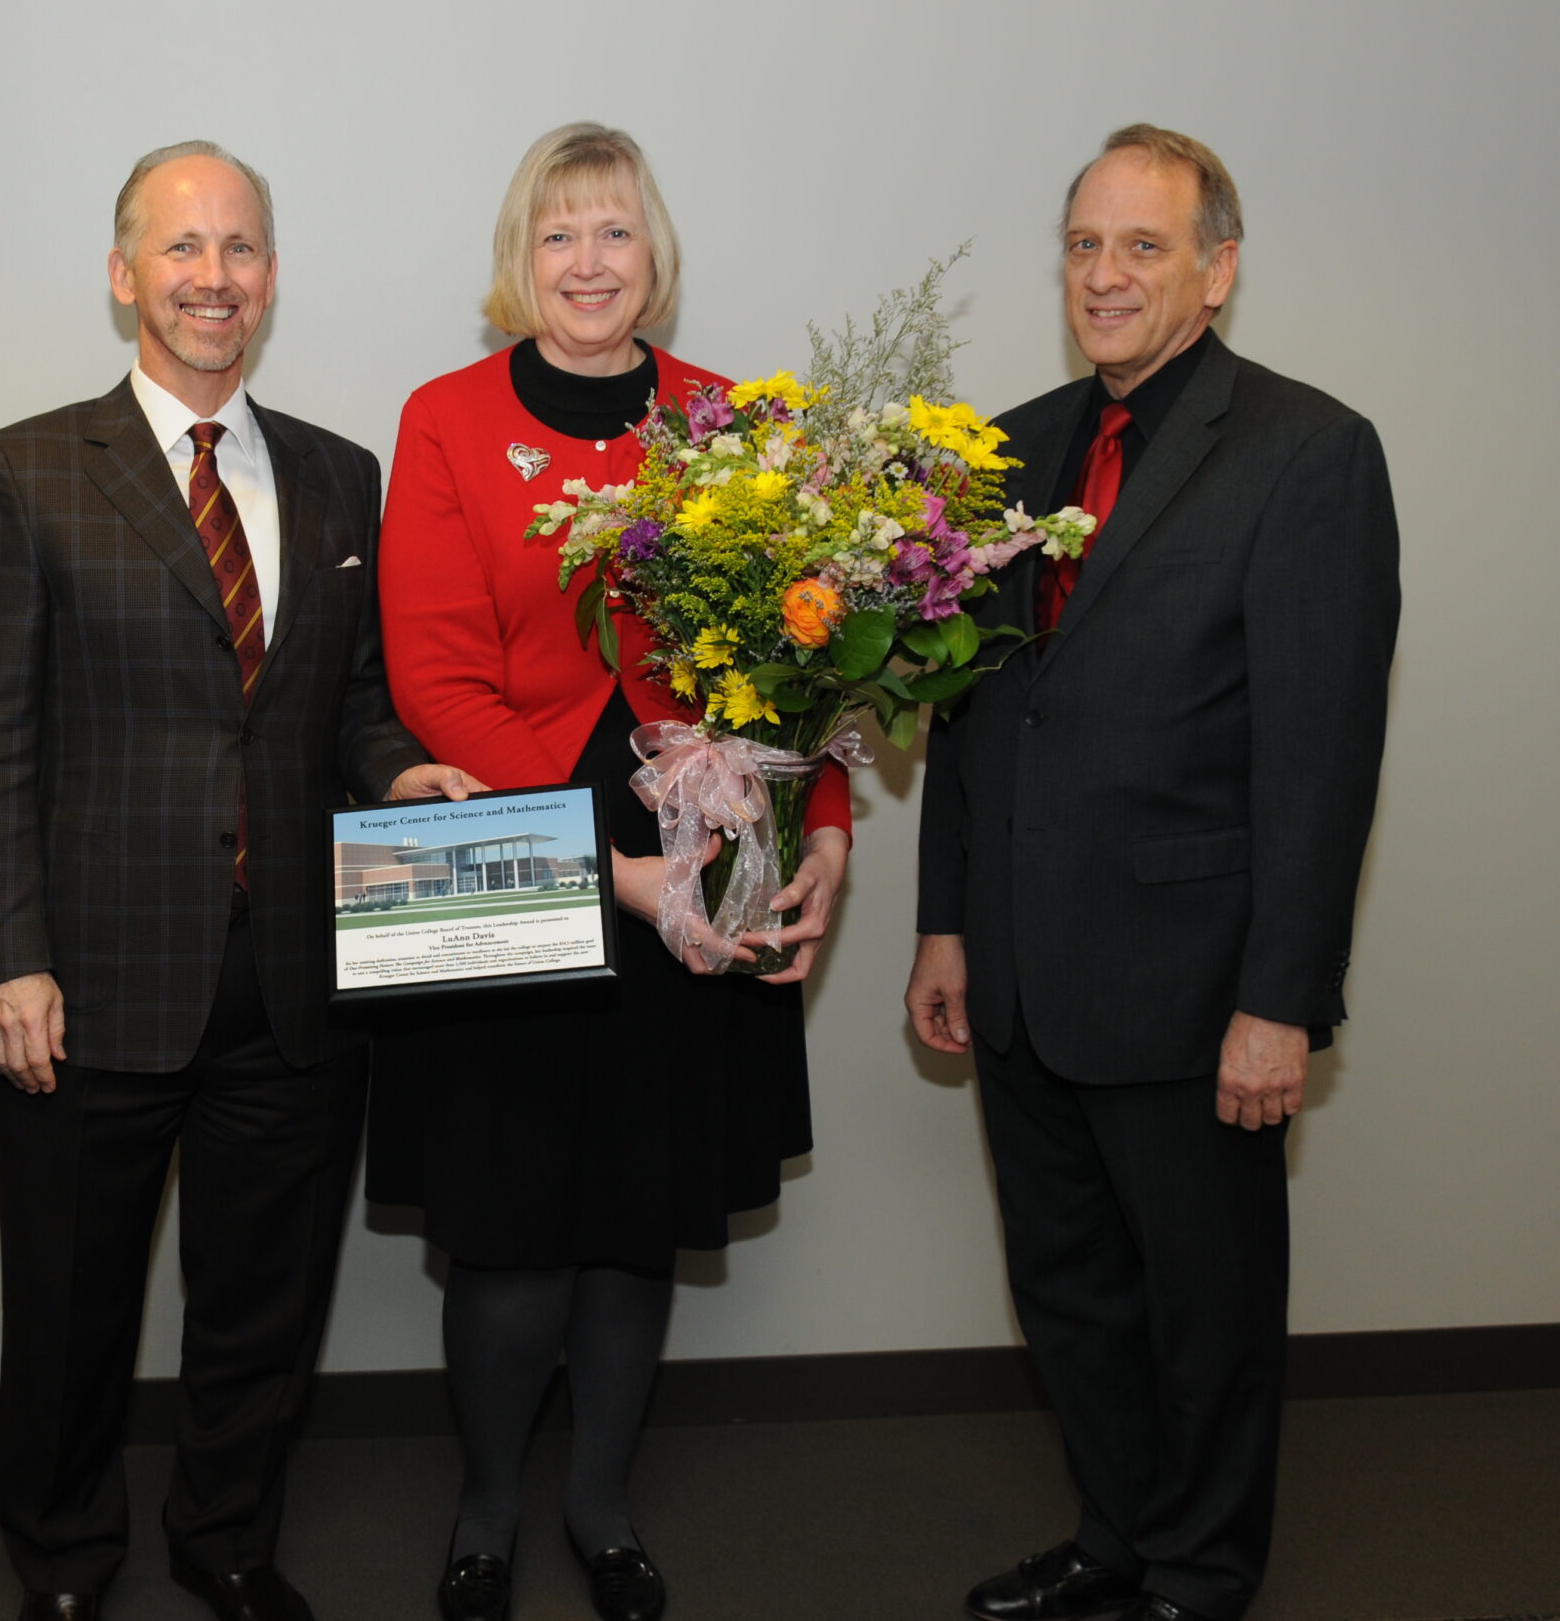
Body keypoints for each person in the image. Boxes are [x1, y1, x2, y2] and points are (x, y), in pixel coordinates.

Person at [0, 141, 474, 1621]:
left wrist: (401, 774)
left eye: (240, 249)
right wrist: (5, 956)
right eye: (181, 249)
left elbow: (353, 702)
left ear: (273, 278)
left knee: (262, 1304)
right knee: (69, 1308)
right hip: (87, 979)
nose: (212, 277)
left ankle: (228, 1538)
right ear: (124, 276)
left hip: (300, 972)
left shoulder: (337, 475)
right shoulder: (29, 467)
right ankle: (60, 1557)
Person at [906, 126, 1401, 1621]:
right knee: (1068, 1293)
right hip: (1020, 972)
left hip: (1194, 990)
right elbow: (969, 702)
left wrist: (1282, 1002)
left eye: (1142, 247)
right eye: (1083, 246)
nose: (1104, 277)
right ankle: (1113, 1539)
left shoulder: (1308, 452)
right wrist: (944, 922)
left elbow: (1323, 761)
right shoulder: (1011, 446)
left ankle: (1197, 1573)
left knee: (1210, 1313)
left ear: (1217, 269)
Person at [366, 123, 855, 1621]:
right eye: (561, 234)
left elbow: (809, 649)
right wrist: (600, 865)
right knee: (512, 1228)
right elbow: (434, 676)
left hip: (706, 835)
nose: (589, 262)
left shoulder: (730, 420)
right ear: (523, 258)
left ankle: (600, 1504)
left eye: (617, 233)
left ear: (657, 257)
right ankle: (491, 1507)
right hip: (519, 839)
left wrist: (824, 821)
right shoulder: (444, 419)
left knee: (638, 1215)